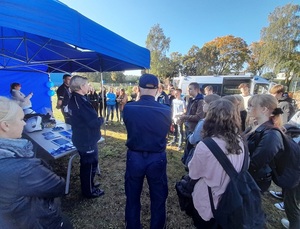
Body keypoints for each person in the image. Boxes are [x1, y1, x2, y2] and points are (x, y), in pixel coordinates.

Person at [0, 96, 73, 229]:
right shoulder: (23, 169)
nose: (23, 124)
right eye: (21, 119)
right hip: (38, 221)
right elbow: (58, 185)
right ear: (5, 125)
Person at [123, 74, 171, 229]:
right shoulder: (166, 110)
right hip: (156, 157)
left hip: (135, 156)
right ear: (157, 89)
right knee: (158, 198)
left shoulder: (129, 108)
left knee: (132, 197)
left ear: (139, 88)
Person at [188, 99, 245, 228]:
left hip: (209, 202)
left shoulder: (205, 145)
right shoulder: (241, 141)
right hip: (232, 199)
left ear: (209, 118)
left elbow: (193, 173)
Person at [68, 75, 105, 198]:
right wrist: (101, 120)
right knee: (89, 166)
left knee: (90, 164)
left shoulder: (76, 98)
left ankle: (90, 185)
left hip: (84, 138)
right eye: (87, 84)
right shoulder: (80, 102)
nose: (89, 86)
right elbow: (92, 122)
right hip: (86, 139)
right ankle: (88, 191)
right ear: (81, 86)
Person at [245, 94, 284, 193]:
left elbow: (256, 162)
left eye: (251, 106)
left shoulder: (271, 133)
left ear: (264, 109)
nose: (248, 108)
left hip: (255, 180)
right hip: (249, 176)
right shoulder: (255, 126)